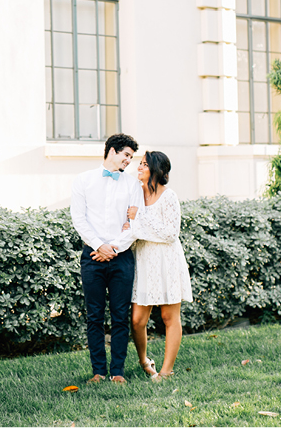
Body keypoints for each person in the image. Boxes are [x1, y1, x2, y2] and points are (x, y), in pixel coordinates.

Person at [70, 133, 144, 385]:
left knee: (120, 316)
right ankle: (98, 371)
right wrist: (100, 246)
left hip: (122, 258)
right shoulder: (83, 180)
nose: (128, 161)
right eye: (126, 155)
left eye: (131, 158)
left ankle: (118, 372)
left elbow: (134, 222)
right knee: (95, 316)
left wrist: (113, 248)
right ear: (112, 151)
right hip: (91, 256)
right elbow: (79, 219)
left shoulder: (132, 184)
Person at [123, 151, 192, 382]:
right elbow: (131, 227)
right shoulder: (135, 194)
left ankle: (166, 371)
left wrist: (140, 216)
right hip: (144, 260)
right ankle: (144, 360)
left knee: (169, 317)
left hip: (166, 261)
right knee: (137, 320)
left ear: (157, 170)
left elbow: (171, 234)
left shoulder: (169, 196)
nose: (139, 167)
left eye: (144, 164)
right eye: (139, 164)